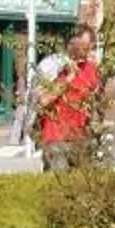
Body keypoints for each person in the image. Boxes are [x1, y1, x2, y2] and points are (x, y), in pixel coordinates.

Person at [34, 24, 102, 171]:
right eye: (84, 46)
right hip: (55, 137)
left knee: (84, 188)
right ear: (72, 43)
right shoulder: (52, 65)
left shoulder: (91, 69)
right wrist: (68, 78)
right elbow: (43, 100)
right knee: (59, 187)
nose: (88, 50)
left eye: (90, 47)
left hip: (80, 138)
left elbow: (95, 101)